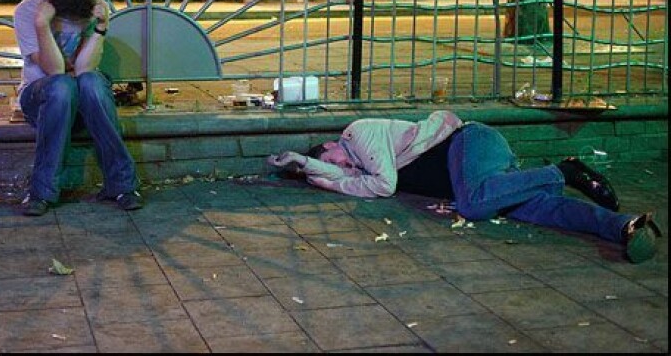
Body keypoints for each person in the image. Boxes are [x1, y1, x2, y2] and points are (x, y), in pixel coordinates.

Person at [267, 111, 663, 264]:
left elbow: (383, 186)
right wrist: (307, 166)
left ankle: (563, 170)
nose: (342, 166)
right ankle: (626, 226)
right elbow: (357, 182)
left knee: (473, 205)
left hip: (470, 142)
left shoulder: (357, 135)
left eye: (332, 158)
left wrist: (321, 165)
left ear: (335, 144)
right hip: (479, 172)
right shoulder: (354, 166)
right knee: (537, 210)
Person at [13, 0, 142, 216]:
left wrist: (100, 29)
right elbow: (54, 70)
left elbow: (84, 69)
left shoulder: (95, 10)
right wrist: (42, 25)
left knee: (92, 82)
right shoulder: (29, 11)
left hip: (83, 100)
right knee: (61, 86)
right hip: (41, 99)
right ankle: (41, 192)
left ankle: (123, 186)